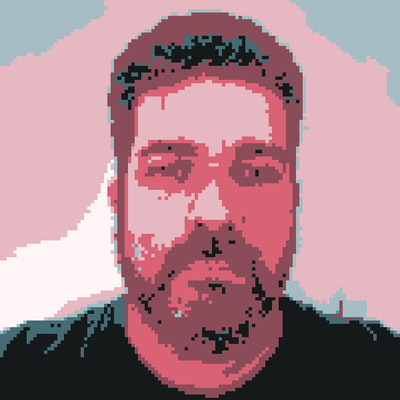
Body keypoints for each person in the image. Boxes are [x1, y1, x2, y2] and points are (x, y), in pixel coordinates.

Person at [1, 12, 399, 399]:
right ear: (118, 200)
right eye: (169, 170)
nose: (215, 213)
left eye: (255, 172)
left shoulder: (383, 373)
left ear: (293, 200)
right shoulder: (17, 375)